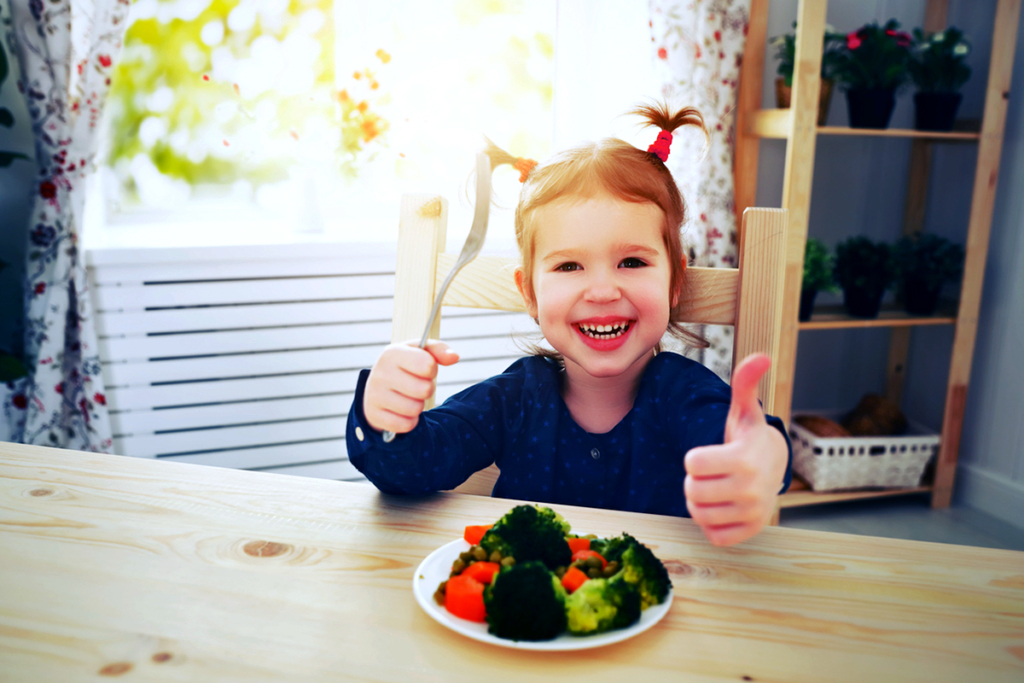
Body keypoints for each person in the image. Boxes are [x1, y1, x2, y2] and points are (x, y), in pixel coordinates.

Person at [346, 103, 791, 547]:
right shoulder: (514, 398)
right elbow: (408, 468)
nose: (601, 291)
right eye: (569, 266)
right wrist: (384, 417)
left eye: (631, 262)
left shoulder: (684, 393)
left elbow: (742, 443)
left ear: (675, 280)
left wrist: (761, 455)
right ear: (530, 294)